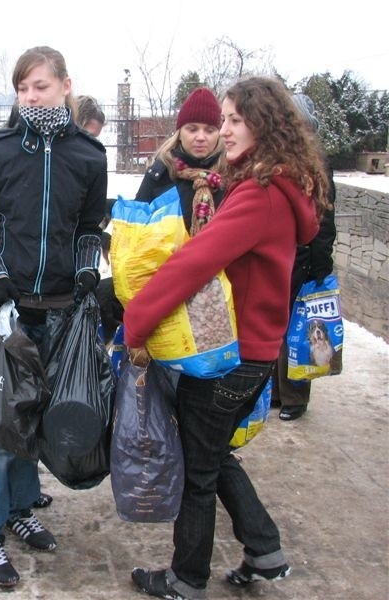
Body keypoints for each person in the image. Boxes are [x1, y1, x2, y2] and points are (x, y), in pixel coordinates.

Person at [122, 76, 329, 599]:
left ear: (265, 125)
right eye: (225, 120)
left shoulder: (258, 196)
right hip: (253, 352)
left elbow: (194, 262)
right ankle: (264, 550)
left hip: (230, 359)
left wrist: (137, 320)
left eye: (235, 120)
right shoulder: (272, 186)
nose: (225, 129)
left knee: (197, 468)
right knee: (211, 453)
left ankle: (186, 579)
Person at [0, 45, 107, 588]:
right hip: (9, 315)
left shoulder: (89, 156)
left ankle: (20, 510)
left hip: (62, 314)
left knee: (37, 424)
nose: (29, 97)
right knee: (0, 432)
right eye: (22, 88)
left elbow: (92, 228)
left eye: (39, 86)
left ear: (66, 85)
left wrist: (89, 266)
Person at [273, 94, 337, 421]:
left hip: (305, 258)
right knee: (276, 324)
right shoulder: (278, 158)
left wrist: (319, 264)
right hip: (283, 255)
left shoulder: (315, 162)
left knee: (299, 331)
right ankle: (275, 391)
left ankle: (295, 397)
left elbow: (324, 217)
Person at [135, 87, 225, 234]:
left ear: (219, 134)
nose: (201, 137)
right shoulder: (161, 173)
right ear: (179, 133)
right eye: (192, 129)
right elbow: (137, 225)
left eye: (209, 130)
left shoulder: (230, 175)